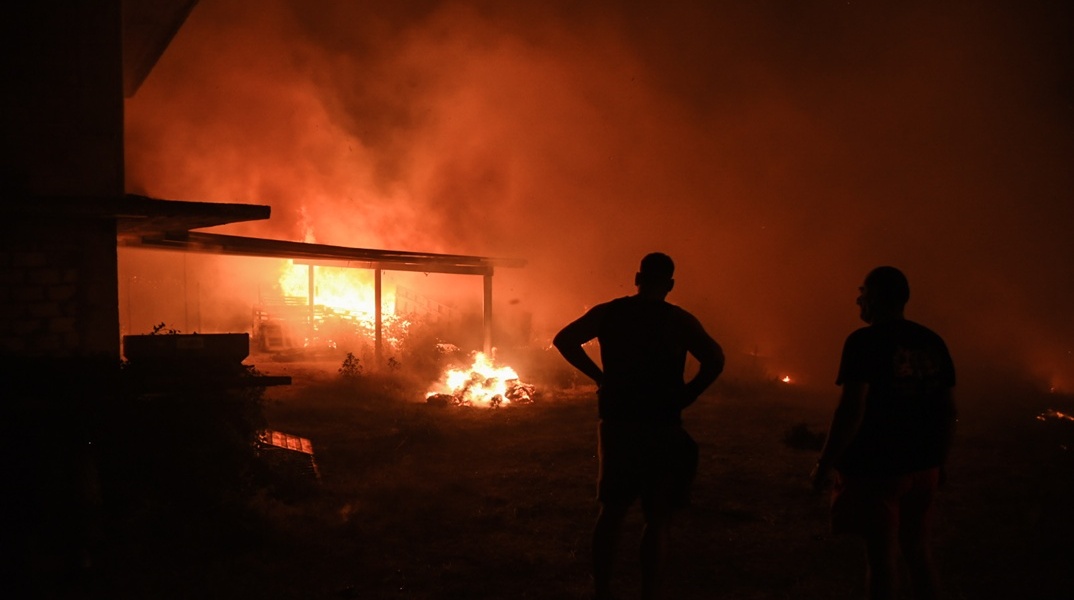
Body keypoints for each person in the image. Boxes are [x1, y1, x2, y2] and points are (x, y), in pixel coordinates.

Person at [553, 252, 725, 600]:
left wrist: (600, 376)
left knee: (612, 511)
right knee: (657, 517)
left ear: (637, 278)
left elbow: (564, 340)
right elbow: (715, 358)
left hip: (618, 421)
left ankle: (603, 591)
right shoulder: (678, 320)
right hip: (662, 422)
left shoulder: (611, 312)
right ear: (670, 284)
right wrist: (688, 394)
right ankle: (649, 593)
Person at [811, 266, 957, 600]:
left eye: (862, 292)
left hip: (878, 469)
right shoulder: (932, 341)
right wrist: (940, 462)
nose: (857, 299)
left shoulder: (863, 342)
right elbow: (948, 410)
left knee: (881, 560)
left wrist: (824, 464)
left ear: (875, 298)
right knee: (919, 553)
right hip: (924, 467)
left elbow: (851, 410)